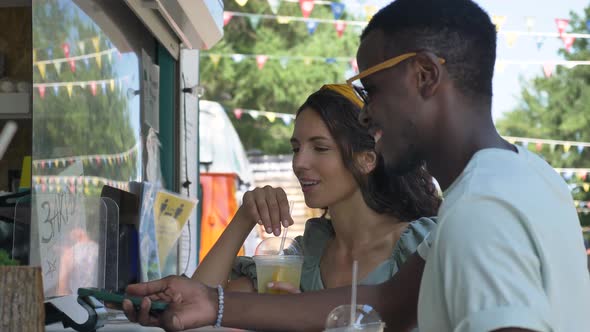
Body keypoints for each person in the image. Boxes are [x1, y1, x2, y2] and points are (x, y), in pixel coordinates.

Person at [123, 0, 590, 331]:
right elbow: (385, 302)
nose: (367, 114)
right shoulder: (529, 177)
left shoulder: (481, 211)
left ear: (425, 75)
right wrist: (213, 303)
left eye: (376, 89)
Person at [191, 84, 440, 294]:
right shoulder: (304, 257)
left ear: (367, 159)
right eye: (296, 148)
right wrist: (245, 216)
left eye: (320, 148)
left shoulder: (421, 245)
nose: (299, 163)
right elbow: (197, 308)